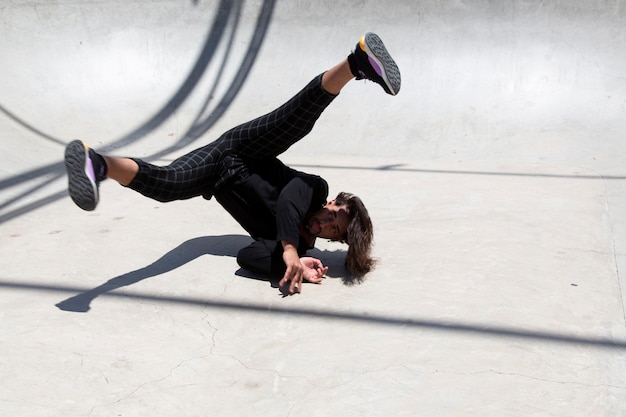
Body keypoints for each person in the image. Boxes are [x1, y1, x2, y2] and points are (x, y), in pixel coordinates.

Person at [64, 32, 401, 294]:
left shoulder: (297, 245)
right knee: (295, 122)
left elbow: (247, 257)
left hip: (216, 174)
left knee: (167, 185)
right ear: (333, 202)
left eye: (332, 231)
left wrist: (289, 264)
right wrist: (288, 250)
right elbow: (288, 202)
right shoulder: (315, 189)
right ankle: (358, 61)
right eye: (332, 216)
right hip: (245, 149)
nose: (325, 224)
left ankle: (97, 164)